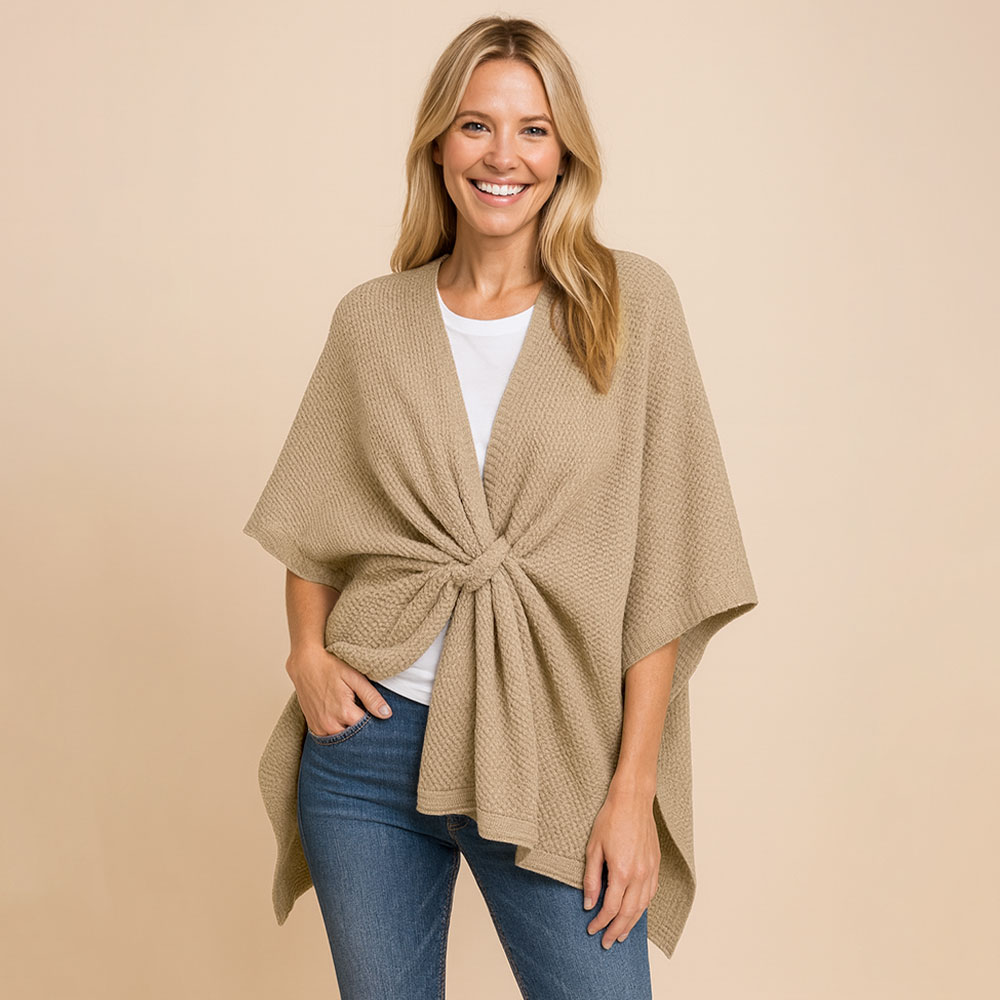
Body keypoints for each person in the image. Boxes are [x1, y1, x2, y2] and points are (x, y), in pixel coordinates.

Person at [243, 14, 758, 1000]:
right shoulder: (374, 320)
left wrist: (633, 787)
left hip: (552, 743)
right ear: (439, 143)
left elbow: (665, 563)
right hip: (369, 750)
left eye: (533, 129)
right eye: (476, 125)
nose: (502, 155)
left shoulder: (630, 305)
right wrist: (307, 654)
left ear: (564, 154)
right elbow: (315, 518)